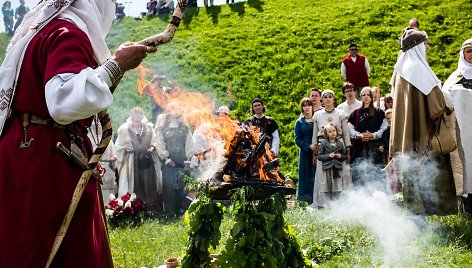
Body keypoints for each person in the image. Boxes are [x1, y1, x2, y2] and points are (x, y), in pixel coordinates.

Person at [0, 1, 157, 267]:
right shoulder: (66, 32)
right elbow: (63, 102)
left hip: (24, 153)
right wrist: (116, 65)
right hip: (48, 161)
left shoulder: (44, 31)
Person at [389, 27, 457, 216]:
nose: (427, 47)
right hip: (424, 133)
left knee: (411, 169)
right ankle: (434, 210)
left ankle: (415, 213)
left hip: (408, 134)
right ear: (417, 46)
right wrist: (448, 98)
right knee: (430, 172)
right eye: (425, 44)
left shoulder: (401, 71)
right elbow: (438, 105)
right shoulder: (418, 70)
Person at [442, 38, 472, 215]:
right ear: (463, 54)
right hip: (463, 135)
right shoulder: (455, 78)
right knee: (465, 169)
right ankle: (467, 207)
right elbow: (446, 103)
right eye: (469, 52)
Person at [115, 107, 162, 210]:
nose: (139, 116)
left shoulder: (149, 128)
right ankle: (136, 208)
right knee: (135, 183)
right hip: (132, 161)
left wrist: (153, 147)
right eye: (136, 113)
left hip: (147, 160)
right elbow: (118, 146)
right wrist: (125, 149)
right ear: (132, 115)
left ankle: (150, 207)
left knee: (148, 181)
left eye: (141, 113)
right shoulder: (124, 130)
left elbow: (155, 141)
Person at [311, 90, 352, 208]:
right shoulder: (317, 115)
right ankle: (323, 203)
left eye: (330, 97)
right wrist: (314, 153)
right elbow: (314, 135)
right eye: (325, 97)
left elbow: (345, 133)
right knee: (323, 175)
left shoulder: (340, 114)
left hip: (338, 145)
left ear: (333, 99)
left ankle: (342, 202)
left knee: (340, 173)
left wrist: (347, 150)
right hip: (322, 145)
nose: (328, 99)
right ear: (322, 100)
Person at [155, 102, 193, 216]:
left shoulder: (185, 128)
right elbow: (159, 144)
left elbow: (189, 144)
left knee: (183, 188)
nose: (175, 111)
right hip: (169, 164)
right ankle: (170, 213)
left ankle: (182, 212)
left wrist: (188, 160)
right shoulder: (162, 128)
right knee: (169, 188)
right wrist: (166, 158)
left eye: (177, 109)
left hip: (182, 164)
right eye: (172, 109)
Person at [348, 87, 387, 186]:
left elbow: (384, 128)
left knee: (376, 174)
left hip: (375, 148)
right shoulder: (355, 113)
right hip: (359, 149)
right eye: (363, 95)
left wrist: (373, 135)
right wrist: (359, 135)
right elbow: (349, 128)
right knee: (359, 175)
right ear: (360, 97)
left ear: (371, 97)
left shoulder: (379, 112)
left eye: (368, 95)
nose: (366, 97)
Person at [317, 123, 347, 201]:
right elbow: (319, 156)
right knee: (328, 185)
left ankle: (338, 201)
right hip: (327, 168)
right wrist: (329, 156)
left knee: (337, 185)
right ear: (326, 134)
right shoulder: (323, 143)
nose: (333, 132)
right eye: (330, 131)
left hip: (337, 168)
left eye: (334, 131)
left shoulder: (340, 143)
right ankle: (328, 202)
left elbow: (345, 155)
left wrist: (341, 156)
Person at [294, 98, 316, 204]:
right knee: (304, 175)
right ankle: (303, 200)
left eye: (308, 105)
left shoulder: (316, 120)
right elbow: (297, 139)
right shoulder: (299, 122)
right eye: (304, 105)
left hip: (316, 152)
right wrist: (308, 146)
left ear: (312, 106)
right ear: (302, 108)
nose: (306, 107)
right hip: (305, 152)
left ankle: (315, 199)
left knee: (315, 175)